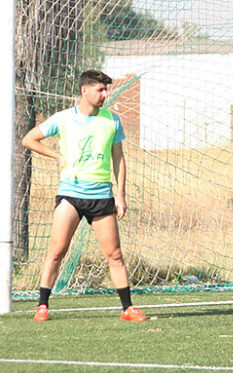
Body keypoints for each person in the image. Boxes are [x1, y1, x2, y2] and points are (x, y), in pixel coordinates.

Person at [22, 70, 146, 323]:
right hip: (71, 195)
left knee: (114, 255)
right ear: (84, 91)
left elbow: (119, 159)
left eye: (106, 89)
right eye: (100, 90)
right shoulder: (63, 119)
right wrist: (56, 156)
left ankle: (127, 309)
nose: (105, 94)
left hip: (102, 196)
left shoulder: (112, 120)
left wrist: (120, 196)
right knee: (57, 251)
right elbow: (29, 139)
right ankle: (42, 306)